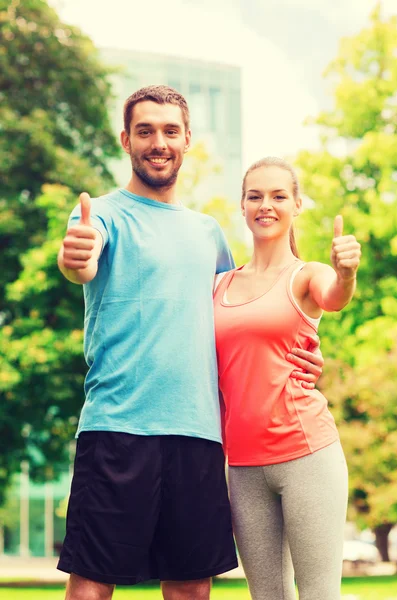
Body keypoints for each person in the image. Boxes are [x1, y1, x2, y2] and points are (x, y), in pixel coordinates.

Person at [57, 87, 323, 600]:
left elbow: (239, 323)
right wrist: (76, 256)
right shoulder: (101, 216)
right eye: (145, 131)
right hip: (118, 428)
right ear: (126, 139)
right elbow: (81, 262)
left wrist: (304, 357)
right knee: (91, 585)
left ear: (187, 141)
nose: (158, 142)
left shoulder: (209, 234)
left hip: (199, 437)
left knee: (192, 588)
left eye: (169, 131)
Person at [213, 156, 361, 600]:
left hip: (306, 456)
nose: (266, 205)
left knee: (318, 594)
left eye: (279, 196)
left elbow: (333, 296)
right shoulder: (219, 285)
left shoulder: (305, 275)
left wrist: (347, 273)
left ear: (296, 205)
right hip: (241, 466)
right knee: (267, 597)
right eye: (255, 196)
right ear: (242, 206)